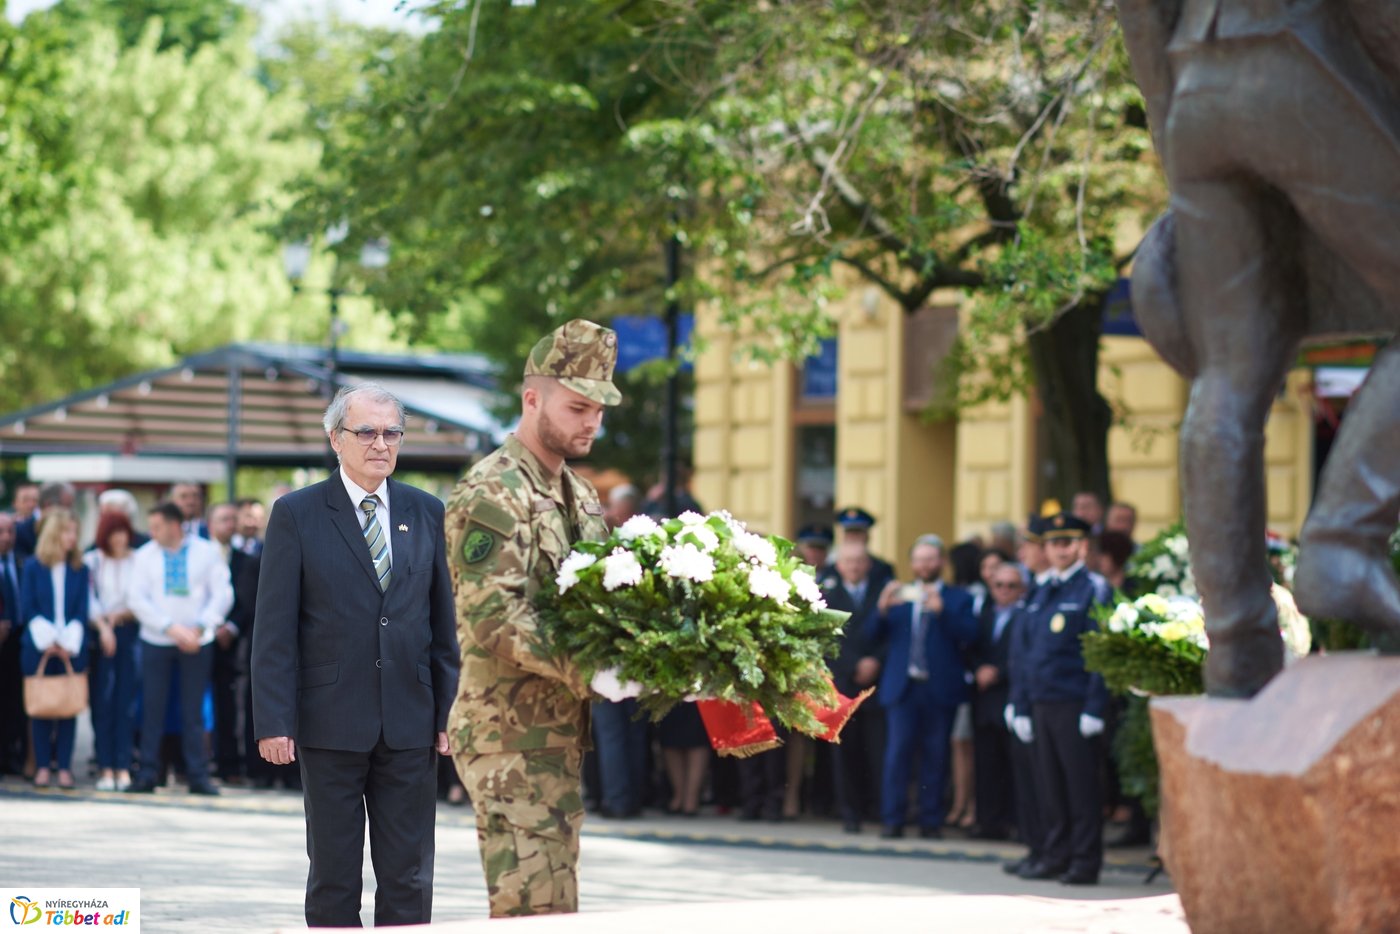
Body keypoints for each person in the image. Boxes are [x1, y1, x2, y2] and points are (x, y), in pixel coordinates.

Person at [252, 384, 458, 927]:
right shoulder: (296, 514)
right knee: (334, 877)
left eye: (391, 432)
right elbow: (274, 628)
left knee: (410, 878)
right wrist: (274, 721)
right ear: (335, 438)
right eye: (365, 431)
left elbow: (444, 625)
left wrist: (450, 711)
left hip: (410, 722)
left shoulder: (428, 511)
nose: (380, 443)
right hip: (330, 722)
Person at [446, 318, 625, 918]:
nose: (591, 422)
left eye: (599, 409)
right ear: (532, 398)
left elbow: (597, 601)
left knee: (555, 908)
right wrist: (591, 667)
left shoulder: (578, 494)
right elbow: (493, 616)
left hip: (553, 737)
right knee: (534, 913)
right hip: (507, 738)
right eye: (577, 407)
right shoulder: (494, 492)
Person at [1007, 512, 1112, 885]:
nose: (1060, 549)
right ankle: (1055, 854)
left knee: (1080, 788)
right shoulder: (1041, 588)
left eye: (1067, 542)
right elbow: (1024, 653)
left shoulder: (1093, 589)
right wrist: (1019, 703)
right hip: (1040, 701)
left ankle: (1084, 861)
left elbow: (1100, 652)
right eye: (1053, 543)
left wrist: (1095, 707)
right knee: (1049, 787)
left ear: (1082, 546)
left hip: (1074, 703)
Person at [867, 534, 977, 839]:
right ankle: (893, 818)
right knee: (897, 755)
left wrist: (944, 612)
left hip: (939, 688)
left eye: (931, 558)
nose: (925, 565)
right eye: (919, 559)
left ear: (941, 562)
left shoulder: (959, 597)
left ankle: (931, 820)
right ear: (912, 563)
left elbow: (971, 634)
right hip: (903, 688)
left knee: (936, 755)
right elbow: (871, 635)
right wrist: (882, 608)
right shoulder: (900, 594)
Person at [126, 502, 232, 796]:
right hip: (156, 640)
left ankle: (197, 775)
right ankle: (147, 773)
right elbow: (137, 598)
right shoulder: (144, 556)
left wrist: (200, 627)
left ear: (175, 525)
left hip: (197, 641)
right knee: (152, 709)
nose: (152, 532)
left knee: (193, 711)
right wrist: (170, 627)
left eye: (157, 526)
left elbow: (222, 594)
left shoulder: (206, 552)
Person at [19, 508, 89, 789]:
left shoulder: (80, 568)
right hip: (40, 647)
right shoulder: (34, 567)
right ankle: (43, 766)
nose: (72, 537)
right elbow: (29, 607)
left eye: (75, 532)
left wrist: (67, 641)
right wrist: (50, 640)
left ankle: (65, 767)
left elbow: (82, 609)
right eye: (67, 531)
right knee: (42, 708)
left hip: (71, 646)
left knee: (68, 707)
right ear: (54, 533)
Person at [820, 541, 884, 833]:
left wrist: (874, 662)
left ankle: (876, 808)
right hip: (844, 684)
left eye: (860, 561)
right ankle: (850, 812)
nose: (855, 566)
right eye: (849, 561)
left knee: (876, 749)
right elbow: (826, 640)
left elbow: (891, 635)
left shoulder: (881, 591)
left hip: (877, 684)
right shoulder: (827, 594)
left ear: (867, 563)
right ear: (840, 565)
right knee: (845, 752)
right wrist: (855, 665)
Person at [968, 562, 1026, 841]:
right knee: (986, 764)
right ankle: (988, 822)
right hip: (984, 699)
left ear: (1021, 589)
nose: (1004, 590)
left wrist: (998, 672)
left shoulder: (1025, 615)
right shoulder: (985, 614)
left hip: (1010, 696)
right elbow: (972, 648)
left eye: (1011, 585)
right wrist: (979, 668)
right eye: (999, 585)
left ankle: (1016, 823)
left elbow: (1023, 655)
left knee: (1015, 766)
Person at [85, 511, 141, 792]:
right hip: (100, 635)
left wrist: (120, 617)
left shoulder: (138, 559)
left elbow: (141, 597)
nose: (119, 537)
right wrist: (104, 627)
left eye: (123, 531)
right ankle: (105, 765)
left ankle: (123, 765)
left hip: (129, 632)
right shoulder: (92, 560)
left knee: (126, 703)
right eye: (113, 531)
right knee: (103, 702)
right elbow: (88, 599)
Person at [206, 502, 248, 783]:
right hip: (199, 638)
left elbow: (248, 600)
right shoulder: (198, 554)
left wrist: (230, 627)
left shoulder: (246, 560)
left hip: (232, 645)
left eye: (233, 519)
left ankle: (229, 765)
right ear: (210, 523)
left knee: (228, 704)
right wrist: (211, 625)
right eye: (223, 519)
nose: (229, 525)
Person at [0, 513, 27, 776]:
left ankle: (11, 755)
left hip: (18, 641)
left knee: (14, 702)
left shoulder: (21, 562)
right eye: (1, 532)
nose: (6, 537)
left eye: (10, 531)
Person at [832, 507, 894, 591]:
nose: (853, 537)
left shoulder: (883, 569)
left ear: (867, 536)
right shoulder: (831, 570)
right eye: (849, 532)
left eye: (857, 532)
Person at [15, 482, 76, 563]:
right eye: (66, 507)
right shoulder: (21, 532)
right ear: (48, 505)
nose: (69, 513)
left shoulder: (71, 531)